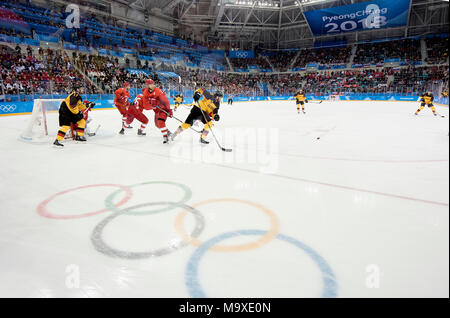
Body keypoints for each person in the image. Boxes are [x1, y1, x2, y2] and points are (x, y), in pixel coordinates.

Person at [142, 79, 173, 143]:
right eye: (147, 84)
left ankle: (165, 136)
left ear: (153, 84)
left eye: (150, 84)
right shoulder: (145, 92)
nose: (149, 86)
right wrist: (151, 106)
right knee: (157, 125)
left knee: (160, 122)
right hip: (156, 111)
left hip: (163, 109)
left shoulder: (158, 91)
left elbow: (166, 101)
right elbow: (145, 105)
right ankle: (167, 132)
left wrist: (169, 110)